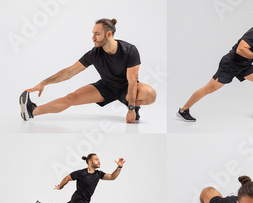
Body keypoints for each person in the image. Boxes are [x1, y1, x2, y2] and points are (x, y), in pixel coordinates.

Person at [19, 18, 156, 124]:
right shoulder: (94, 54)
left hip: (126, 88)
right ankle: (32, 111)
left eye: (97, 34)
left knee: (150, 94)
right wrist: (44, 83)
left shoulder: (129, 50)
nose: (93, 38)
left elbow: (132, 82)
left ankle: (134, 106)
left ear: (108, 34)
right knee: (71, 98)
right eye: (93, 34)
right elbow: (69, 72)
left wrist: (131, 109)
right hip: (106, 86)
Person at [177, 8, 253, 122]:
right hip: (230, 64)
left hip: (244, 65)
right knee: (209, 88)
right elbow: (240, 50)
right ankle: (183, 110)